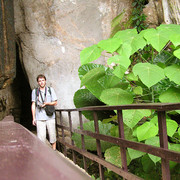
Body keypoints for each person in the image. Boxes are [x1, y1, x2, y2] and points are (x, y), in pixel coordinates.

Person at [31, 74, 57, 150]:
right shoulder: (35, 91)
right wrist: (34, 118)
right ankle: (43, 152)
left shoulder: (50, 90)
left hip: (50, 116)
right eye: (40, 81)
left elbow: (55, 102)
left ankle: (54, 151)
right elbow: (33, 105)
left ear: (45, 81)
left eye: (43, 80)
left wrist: (46, 103)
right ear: (38, 82)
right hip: (39, 117)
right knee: (41, 137)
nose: (41, 82)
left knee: (52, 134)